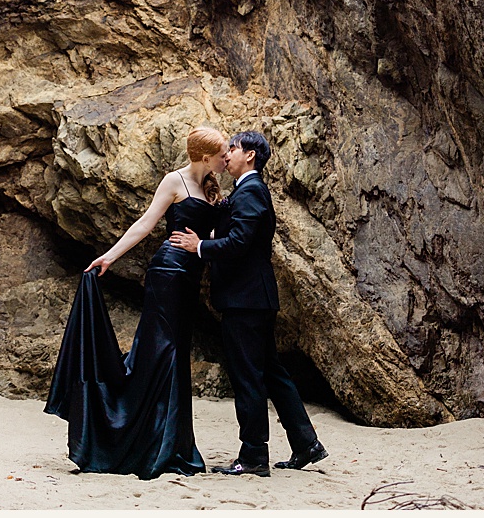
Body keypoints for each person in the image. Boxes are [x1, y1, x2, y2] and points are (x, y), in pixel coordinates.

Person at [45, 125, 227, 479]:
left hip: (189, 279)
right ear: (206, 157)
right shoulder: (174, 181)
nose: (226, 159)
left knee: (171, 355)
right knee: (162, 353)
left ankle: (167, 442)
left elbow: (214, 238)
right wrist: (109, 257)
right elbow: (145, 223)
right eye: (221, 154)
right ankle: (152, 444)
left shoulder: (213, 189)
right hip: (167, 275)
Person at [169, 130, 327, 475]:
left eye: (234, 149)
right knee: (272, 373)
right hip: (254, 298)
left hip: (246, 300)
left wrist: (198, 247)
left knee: (248, 378)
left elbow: (240, 242)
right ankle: (306, 443)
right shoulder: (245, 191)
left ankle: (254, 456)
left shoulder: (252, 190)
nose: (227, 155)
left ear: (250, 155)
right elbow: (238, 234)